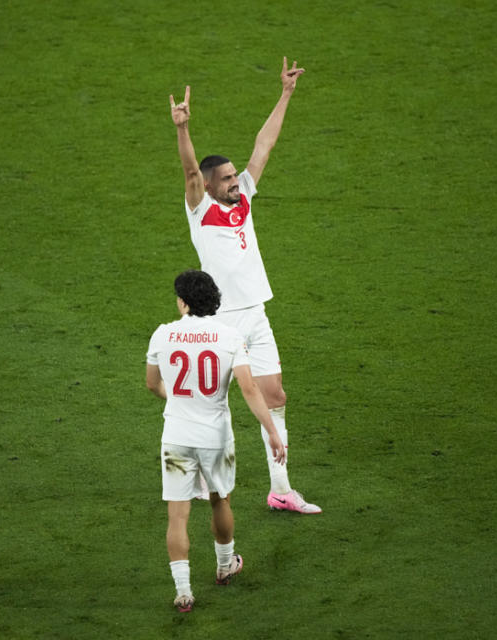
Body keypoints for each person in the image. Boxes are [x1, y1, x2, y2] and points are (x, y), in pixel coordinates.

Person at [168, 56, 320, 514]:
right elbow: (191, 172)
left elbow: (264, 146)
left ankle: (280, 489)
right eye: (229, 179)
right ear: (210, 186)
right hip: (222, 321)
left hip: (257, 313)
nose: (237, 182)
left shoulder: (244, 198)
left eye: (236, 177)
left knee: (275, 397)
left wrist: (286, 94)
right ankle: (195, 479)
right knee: (210, 406)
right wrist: (182, 129)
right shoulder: (201, 210)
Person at [146, 270, 287, 612]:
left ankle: (183, 592)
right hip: (215, 439)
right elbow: (250, 388)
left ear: (183, 302)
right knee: (219, 499)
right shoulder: (229, 337)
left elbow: (152, 384)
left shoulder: (163, 335)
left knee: (177, 515)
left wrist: (179, 401)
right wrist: (271, 430)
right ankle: (225, 566)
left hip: (176, 437)